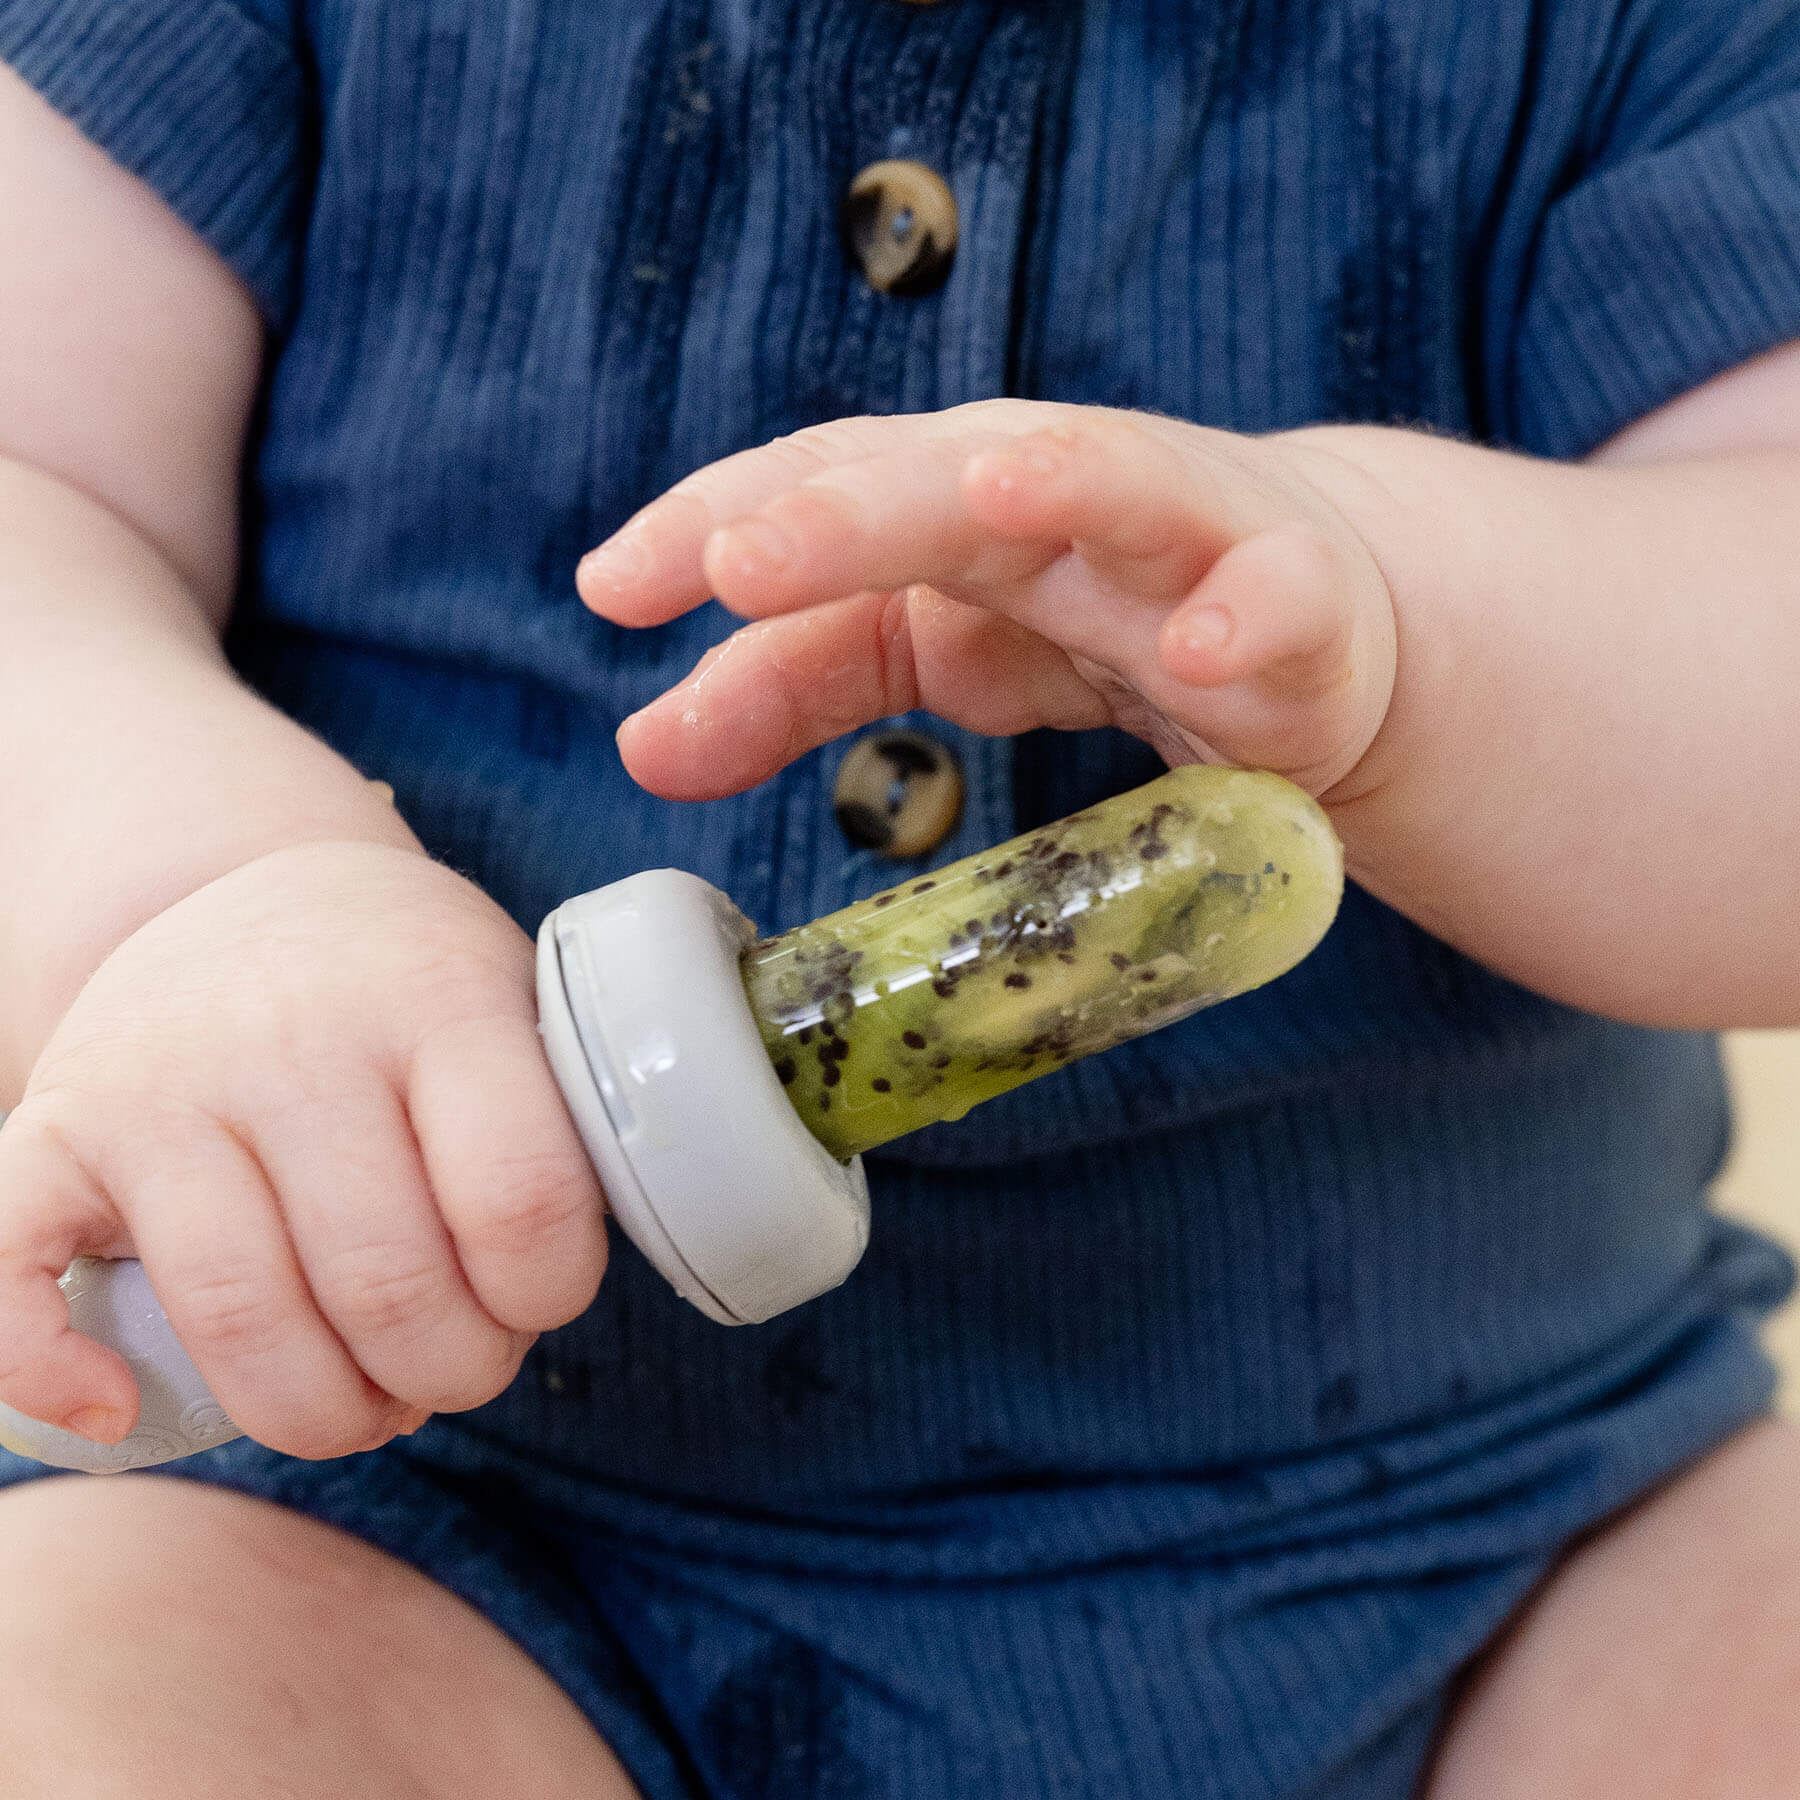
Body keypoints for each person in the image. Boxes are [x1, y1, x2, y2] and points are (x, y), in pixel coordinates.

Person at [1, 1, 1799, 1792]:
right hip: (427, 1522)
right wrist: (208, 892)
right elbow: (36, 485)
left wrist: (1404, 623)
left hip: (1514, 1526)